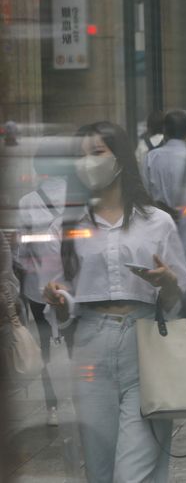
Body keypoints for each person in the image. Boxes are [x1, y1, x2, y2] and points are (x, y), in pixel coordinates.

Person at [43, 121, 186, 483]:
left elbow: (178, 293)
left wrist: (168, 283)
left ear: (120, 158)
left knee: (134, 469)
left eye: (98, 152)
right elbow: (62, 303)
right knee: (99, 465)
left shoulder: (156, 221)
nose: (88, 162)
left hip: (145, 341)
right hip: (91, 344)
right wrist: (59, 302)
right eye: (81, 155)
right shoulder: (70, 224)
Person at [15, 142, 70, 426]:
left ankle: (52, 408)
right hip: (75, 289)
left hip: (39, 289)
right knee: (77, 343)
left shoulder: (27, 202)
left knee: (47, 347)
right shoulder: (80, 197)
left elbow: (22, 255)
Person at [142, 109, 186, 307]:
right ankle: (185, 319)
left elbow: (142, 195)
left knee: (160, 279)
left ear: (165, 131)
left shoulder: (150, 158)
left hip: (157, 232)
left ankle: (162, 320)